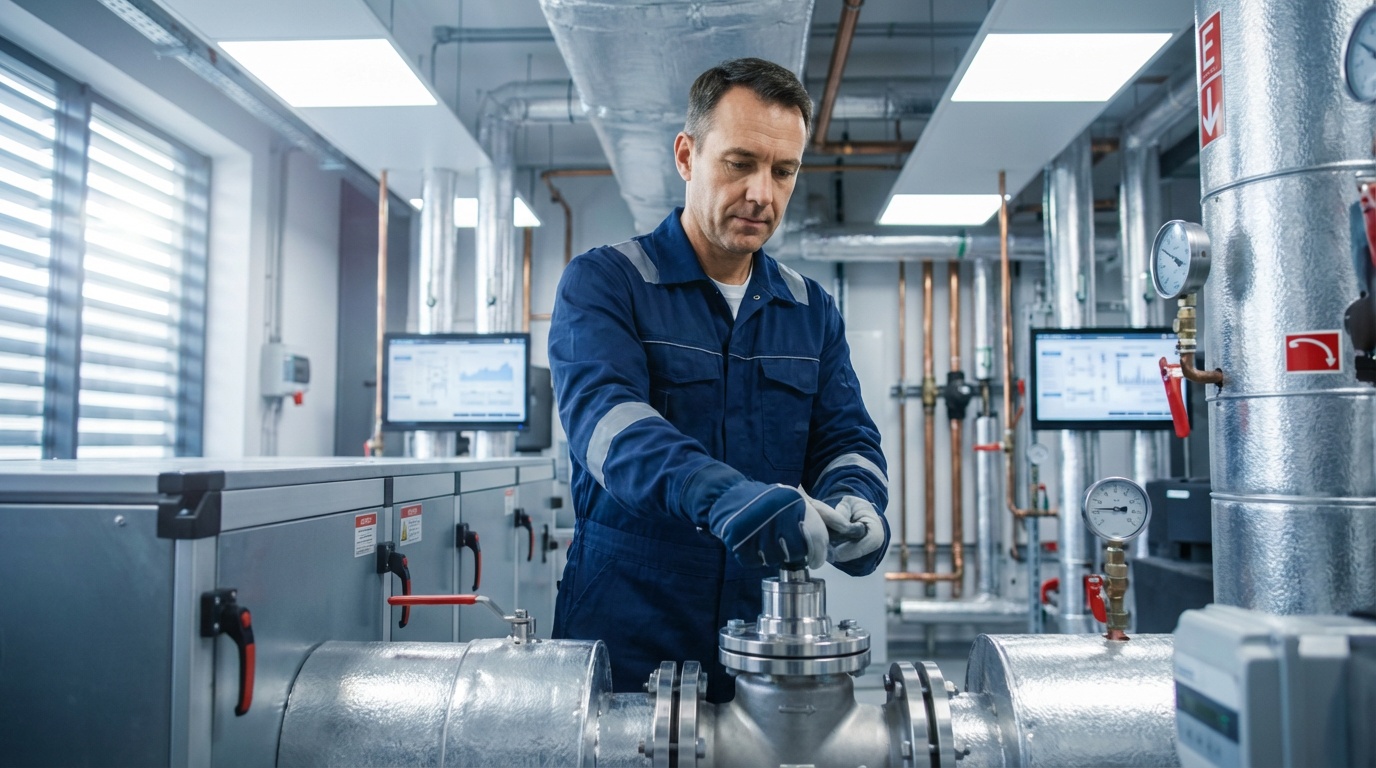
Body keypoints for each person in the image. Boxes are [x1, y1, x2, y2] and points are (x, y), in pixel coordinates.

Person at [547, 57, 888, 703]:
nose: (763, 192)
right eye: (740, 163)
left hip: (765, 636)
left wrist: (857, 499)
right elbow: (606, 423)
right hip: (628, 624)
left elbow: (846, 436)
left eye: (783, 171)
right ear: (686, 155)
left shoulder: (809, 309)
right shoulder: (607, 283)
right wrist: (727, 498)